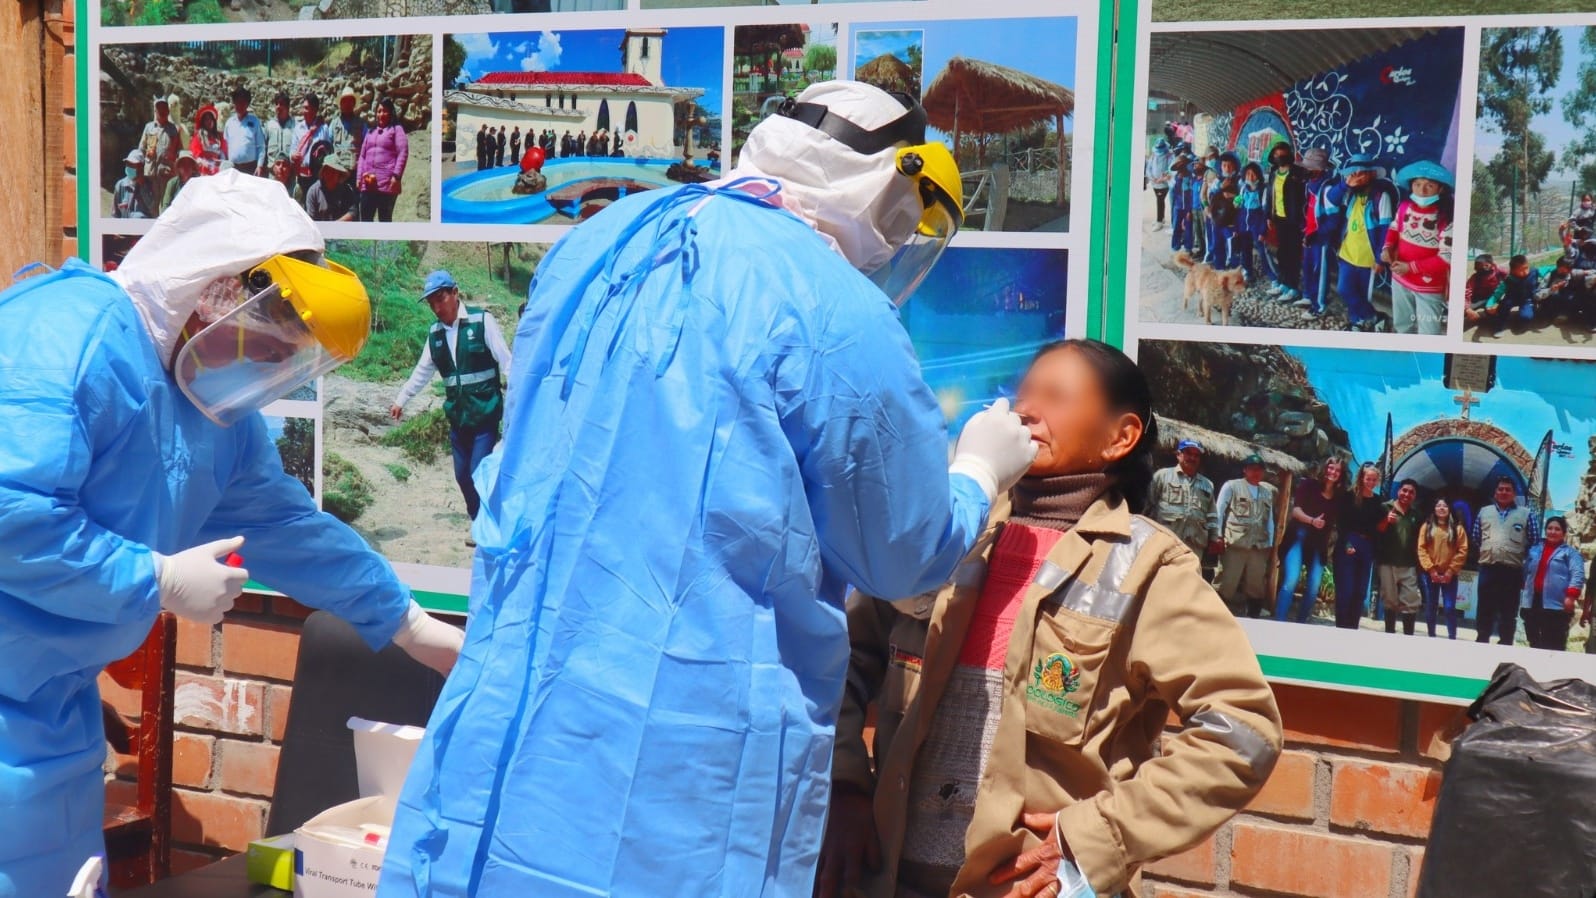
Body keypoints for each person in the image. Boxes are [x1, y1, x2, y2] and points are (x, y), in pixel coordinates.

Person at [379, 81, 1034, 898]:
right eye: (905, 216)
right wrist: (977, 471)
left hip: (529, 699)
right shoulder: (839, 309)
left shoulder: (603, 240)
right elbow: (902, 555)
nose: (898, 240)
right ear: (884, 188)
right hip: (686, 751)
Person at [0, 170, 463, 898]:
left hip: (49, 712)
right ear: (212, 291)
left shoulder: (216, 413)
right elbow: (8, 512)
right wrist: (153, 578)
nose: (272, 367)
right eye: (271, 343)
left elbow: (285, 526)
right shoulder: (67, 336)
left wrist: (405, 622)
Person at [818, 340, 1282, 898]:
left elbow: (1244, 734)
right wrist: (842, 785)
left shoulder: (1148, 567)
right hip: (883, 880)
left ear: (1121, 437)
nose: (1027, 410)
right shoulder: (947, 532)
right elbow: (834, 659)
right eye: (1024, 394)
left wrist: (1097, 836)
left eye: (1056, 396)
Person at [389, 270, 512, 531]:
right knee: (462, 476)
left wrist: (518, 397)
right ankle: (479, 519)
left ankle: (485, 528)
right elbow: (422, 371)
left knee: (480, 471)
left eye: (440, 298)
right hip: (458, 418)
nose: (436, 307)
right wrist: (402, 399)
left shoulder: (482, 322)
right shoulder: (435, 334)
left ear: (455, 293)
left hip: (485, 415)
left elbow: (507, 361)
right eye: (431, 302)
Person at [1319, 154, 1397, 331]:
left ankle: (1357, 322)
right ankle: (1374, 316)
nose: (1358, 176)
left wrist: (1379, 259)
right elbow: (1331, 199)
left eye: (1363, 172)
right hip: (1347, 253)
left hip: (1367, 258)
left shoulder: (1380, 197)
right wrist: (1345, 184)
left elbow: (1386, 229)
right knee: (1345, 289)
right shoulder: (1350, 194)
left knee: (1362, 293)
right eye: (1354, 173)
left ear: (1371, 174)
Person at [1382, 160, 1454, 335]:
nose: (1422, 190)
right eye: (1417, 184)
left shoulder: (1447, 218)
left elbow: (1446, 257)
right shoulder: (1404, 207)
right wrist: (1387, 247)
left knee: (1429, 332)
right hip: (1400, 278)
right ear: (1411, 186)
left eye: (1429, 185)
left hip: (1428, 286)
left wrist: (1411, 267)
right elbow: (1393, 228)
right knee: (1401, 324)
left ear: (1441, 189)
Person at [1273, 456, 1344, 623]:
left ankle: (1301, 622)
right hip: (1299, 535)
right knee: (1291, 581)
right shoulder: (1308, 485)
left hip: (1318, 543)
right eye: (1331, 468)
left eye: (1337, 470)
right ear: (1325, 468)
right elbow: (1296, 511)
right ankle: (1279, 621)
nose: (1333, 472)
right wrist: (1312, 520)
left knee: (1313, 586)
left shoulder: (1339, 496)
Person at [1472, 477, 1537, 646]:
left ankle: (1506, 643)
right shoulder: (1484, 512)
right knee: (1484, 608)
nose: (1503, 492)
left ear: (1514, 493)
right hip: (1488, 568)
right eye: (1500, 489)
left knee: (1508, 611)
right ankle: (1482, 640)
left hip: (1512, 571)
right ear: (1495, 492)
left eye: (1508, 489)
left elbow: (1534, 542)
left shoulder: (1526, 514)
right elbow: (1477, 538)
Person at [1215, 454, 1277, 619]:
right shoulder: (1232, 486)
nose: (1256, 472)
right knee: (1226, 582)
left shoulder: (1267, 493)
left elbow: (1269, 520)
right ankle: (1215, 617)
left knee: (1256, 585)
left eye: (1259, 469)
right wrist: (1218, 536)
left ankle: (1253, 618)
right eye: (1252, 468)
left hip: (1259, 546)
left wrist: (1270, 544)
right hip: (1236, 543)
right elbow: (1219, 511)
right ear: (1245, 470)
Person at [1520, 516, 1585, 651]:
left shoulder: (1570, 553)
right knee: (1534, 641)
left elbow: (1577, 574)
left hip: (1556, 606)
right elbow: (1526, 570)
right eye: (1549, 528)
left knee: (1553, 644)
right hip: (1533, 602)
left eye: (1557, 529)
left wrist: (1571, 596)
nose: (1552, 532)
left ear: (1564, 533)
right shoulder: (1535, 550)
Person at [1149, 438, 1220, 560]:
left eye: (1196, 455)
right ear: (1178, 455)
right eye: (1188, 453)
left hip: (1195, 543)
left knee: (1188, 577)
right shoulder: (1162, 476)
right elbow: (1148, 505)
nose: (1192, 458)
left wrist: (1214, 538)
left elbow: (1212, 515)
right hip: (1166, 539)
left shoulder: (1207, 485)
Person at [1335, 462, 1384, 629]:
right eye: (1368, 479)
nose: (1370, 482)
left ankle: (1352, 627)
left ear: (1377, 481)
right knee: (1346, 589)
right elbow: (1341, 523)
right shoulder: (1349, 496)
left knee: (1360, 591)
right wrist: (1347, 543)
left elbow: (1378, 528)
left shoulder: (1378, 501)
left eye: (1374, 479)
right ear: (1361, 478)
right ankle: (1341, 627)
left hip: (1367, 546)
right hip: (1350, 542)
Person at [1374, 479, 1423, 635]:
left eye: (1411, 492)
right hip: (1387, 562)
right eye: (1404, 490)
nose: (1407, 494)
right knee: (1390, 600)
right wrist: (1385, 521)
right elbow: (1374, 531)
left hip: (1409, 564)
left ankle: (1408, 636)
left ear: (1415, 496)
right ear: (1398, 491)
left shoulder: (1416, 515)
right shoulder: (1384, 508)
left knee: (1411, 600)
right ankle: (1390, 634)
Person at [1261, 141, 1308, 303]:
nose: (1279, 157)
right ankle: (1283, 283)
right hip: (1278, 219)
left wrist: (1302, 221)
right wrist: (1268, 215)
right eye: (1276, 155)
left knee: (1292, 255)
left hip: (1293, 221)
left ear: (1289, 154)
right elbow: (1269, 195)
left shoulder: (1298, 173)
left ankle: (1293, 287)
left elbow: (1303, 198)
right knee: (1281, 253)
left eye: (1282, 154)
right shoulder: (1274, 173)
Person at [1417, 497, 1468, 640]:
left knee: (1449, 607)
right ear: (1434, 508)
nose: (1441, 508)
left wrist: (1451, 571)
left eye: (1445, 506)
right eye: (1438, 505)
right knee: (1431, 606)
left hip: (1450, 575)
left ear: (1449, 509)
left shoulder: (1457, 529)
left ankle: (1452, 636)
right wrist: (1430, 569)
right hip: (1430, 574)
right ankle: (1431, 635)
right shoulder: (1427, 527)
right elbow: (1421, 549)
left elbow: (1462, 550)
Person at [356, 98, 408, 223]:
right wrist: (358, 178)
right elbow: (362, 156)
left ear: (390, 113)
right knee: (366, 219)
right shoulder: (370, 132)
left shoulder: (396, 129)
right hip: (367, 183)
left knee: (384, 220)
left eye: (384, 111)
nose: (381, 114)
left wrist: (396, 176)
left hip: (387, 185)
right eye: (378, 111)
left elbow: (403, 152)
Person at [1297, 149, 1335, 319]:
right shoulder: (1311, 185)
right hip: (1310, 235)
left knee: (1320, 272)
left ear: (1319, 170)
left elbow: (1333, 220)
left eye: (1308, 168)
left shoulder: (1327, 189)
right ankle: (1310, 296)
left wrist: (1317, 235)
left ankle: (1319, 305)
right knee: (1308, 268)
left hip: (1321, 239)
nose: (1305, 171)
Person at [289, 93, 332, 205]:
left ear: (314, 109)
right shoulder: (298, 128)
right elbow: (292, 150)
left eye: (307, 108)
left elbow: (328, 152)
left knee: (316, 206)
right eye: (303, 107)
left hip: (317, 176)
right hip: (301, 176)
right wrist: (293, 156)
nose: (303, 111)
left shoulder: (323, 129)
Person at [139, 94, 182, 202]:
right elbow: (141, 148)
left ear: (168, 111)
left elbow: (179, 150)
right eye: (159, 108)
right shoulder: (149, 127)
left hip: (166, 173)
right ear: (155, 110)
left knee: (165, 201)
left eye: (164, 108)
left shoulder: (173, 129)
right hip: (150, 172)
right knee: (151, 202)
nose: (162, 111)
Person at [1236, 162, 1268, 281]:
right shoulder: (1243, 189)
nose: (1250, 177)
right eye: (1248, 174)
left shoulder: (1263, 190)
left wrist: (1262, 230)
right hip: (1244, 226)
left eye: (1253, 174)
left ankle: (1272, 276)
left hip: (1257, 226)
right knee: (1245, 249)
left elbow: (1265, 212)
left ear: (1258, 176)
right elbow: (1238, 205)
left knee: (1262, 250)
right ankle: (1247, 271)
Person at [223, 87, 265, 175]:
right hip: (232, 168)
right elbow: (224, 147)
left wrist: (259, 165)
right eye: (237, 102)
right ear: (234, 103)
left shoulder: (254, 121)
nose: (240, 105)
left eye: (243, 102)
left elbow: (261, 146)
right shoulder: (229, 123)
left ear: (247, 104)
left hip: (250, 168)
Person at [305, 153, 358, 222]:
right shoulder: (313, 191)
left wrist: (335, 226)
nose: (330, 175)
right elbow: (310, 218)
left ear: (339, 174)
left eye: (334, 172)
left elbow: (352, 212)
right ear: (323, 172)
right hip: (320, 229)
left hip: (341, 228)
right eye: (328, 171)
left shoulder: (346, 190)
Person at [1463, 254, 1507, 329]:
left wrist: (1502, 300)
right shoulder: (1475, 277)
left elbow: (1510, 279)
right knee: (1462, 311)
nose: (1481, 269)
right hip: (1477, 299)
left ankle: (1492, 321)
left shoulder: (1498, 271)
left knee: (1495, 315)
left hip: (1493, 298)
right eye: (1477, 267)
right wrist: (1467, 309)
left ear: (1492, 265)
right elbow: (1466, 292)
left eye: (1485, 266)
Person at [112, 148, 157, 219]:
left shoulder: (150, 185)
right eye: (128, 164)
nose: (129, 167)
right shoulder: (120, 185)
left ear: (141, 167)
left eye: (132, 165)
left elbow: (155, 213)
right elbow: (114, 215)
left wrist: (142, 185)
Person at [330, 86, 367, 165]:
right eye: (344, 101)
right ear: (340, 104)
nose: (347, 104)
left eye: (350, 101)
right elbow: (329, 145)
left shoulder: (362, 124)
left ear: (354, 104)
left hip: (355, 168)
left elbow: (366, 146)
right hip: (337, 169)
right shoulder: (334, 124)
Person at [263, 92, 296, 178]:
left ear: (288, 107)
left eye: (281, 104)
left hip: (290, 175)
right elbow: (263, 148)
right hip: (272, 174)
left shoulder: (295, 125)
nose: (278, 106)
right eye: (276, 104)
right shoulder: (269, 125)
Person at [1168, 155, 1196, 254]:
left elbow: (1192, 195)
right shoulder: (1175, 177)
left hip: (1187, 207)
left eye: (1182, 165)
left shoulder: (1191, 177)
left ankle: (1188, 248)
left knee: (1188, 227)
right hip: (1177, 206)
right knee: (1176, 226)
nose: (1180, 167)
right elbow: (1173, 194)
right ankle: (1175, 246)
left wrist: (1189, 210)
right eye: (1178, 165)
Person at [189, 103, 227, 177]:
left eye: (211, 119)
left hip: (217, 170)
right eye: (206, 119)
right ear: (203, 122)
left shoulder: (219, 136)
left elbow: (222, 154)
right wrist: (205, 164)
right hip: (203, 169)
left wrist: (221, 163)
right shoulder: (199, 137)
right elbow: (196, 156)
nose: (209, 121)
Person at [1146, 137, 1173, 231]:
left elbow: (1171, 169)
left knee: (1160, 200)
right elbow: (1149, 168)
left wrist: (1162, 179)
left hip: (1164, 184)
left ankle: (1159, 221)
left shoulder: (1169, 156)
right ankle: (1161, 218)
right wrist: (1151, 177)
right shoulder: (1153, 155)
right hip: (1154, 183)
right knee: (1160, 200)